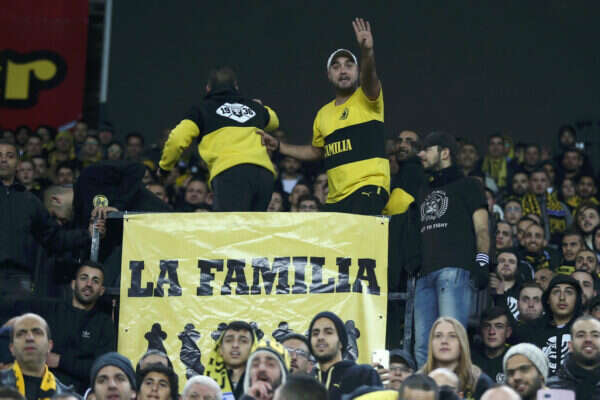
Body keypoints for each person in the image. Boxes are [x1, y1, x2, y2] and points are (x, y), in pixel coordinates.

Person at [259, 18, 389, 215]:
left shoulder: (367, 97)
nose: (343, 70)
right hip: (336, 198)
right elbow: (316, 151)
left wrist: (367, 52)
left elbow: (370, 77)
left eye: (349, 65)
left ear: (358, 71)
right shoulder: (323, 114)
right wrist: (279, 146)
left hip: (368, 188)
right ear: (329, 75)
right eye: (336, 67)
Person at [414, 131, 489, 367]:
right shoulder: (423, 190)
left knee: (452, 341)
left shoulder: (469, 185)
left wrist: (483, 261)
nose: (421, 154)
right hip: (424, 275)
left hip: (454, 271)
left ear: (445, 153)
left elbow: (482, 229)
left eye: (427, 149)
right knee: (422, 348)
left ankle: (454, 386)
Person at [159, 66, 280, 212]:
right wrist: (261, 107)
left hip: (230, 173)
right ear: (236, 87)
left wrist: (165, 168)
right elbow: (274, 121)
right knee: (254, 226)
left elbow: (177, 140)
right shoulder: (253, 107)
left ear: (208, 88)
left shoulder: (201, 110)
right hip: (264, 176)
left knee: (231, 225)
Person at [0, 139, 93, 297]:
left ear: (18, 164)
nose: (3, 159)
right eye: (0, 155)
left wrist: (88, 234)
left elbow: (54, 238)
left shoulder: (30, 201)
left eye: (9, 156)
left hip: (19, 281)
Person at [11, 261, 116, 393]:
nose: (89, 284)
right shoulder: (49, 310)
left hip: (82, 394)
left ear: (101, 290)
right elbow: (11, 310)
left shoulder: (104, 324)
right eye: (84, 278)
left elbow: (102, 368)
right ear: (73, 284)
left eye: (95, 281)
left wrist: (61, 361)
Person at [308, 311, 381, 400]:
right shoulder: (304, 383)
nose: (320, 337)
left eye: (328, 332)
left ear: (341, 343)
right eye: (315, 334)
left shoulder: (363, 374)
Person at [418, 317, 493, 399]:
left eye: (452, 336)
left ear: (462, 343)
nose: (444, 341)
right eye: (438, 336)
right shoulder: (417, 380)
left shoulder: (480, 382)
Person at [0, 313, 71, 400]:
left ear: (49, 346)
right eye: (21, 334)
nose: (29, 338)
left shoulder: (69, 397)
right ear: (12, 348)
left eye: (37, 332)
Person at [530, 275, 584, 376]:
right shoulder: (532, 329)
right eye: (556, 292)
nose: (562, 298)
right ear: (548, 299)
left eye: (569, 292)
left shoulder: (587, 329)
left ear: (577, 299)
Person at [547, 315, 600, 399]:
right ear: (570, 345)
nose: (588, 339)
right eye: (581, 335)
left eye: (595, 335)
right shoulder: (551, 389)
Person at [205, 321, 256, 399]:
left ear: (253, 348)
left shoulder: (267, 388)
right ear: (220, 349)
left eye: (243, 341)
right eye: (229, 340)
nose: (235, 345)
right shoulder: (203, 386)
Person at [521, 169, 572, 244]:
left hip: (556, 246)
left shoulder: (561, 206)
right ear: (529, 183)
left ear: (548, 183)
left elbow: (570, 229)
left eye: (543, 180)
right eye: (535, 180)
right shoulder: (522, 205)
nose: (539, 184)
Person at [471, 307, 513, 383]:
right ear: (480, 330)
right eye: (487, 326)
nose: (491, 332)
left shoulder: (514, 359)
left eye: (499, 326)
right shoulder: (469, 358)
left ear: (508, 332)